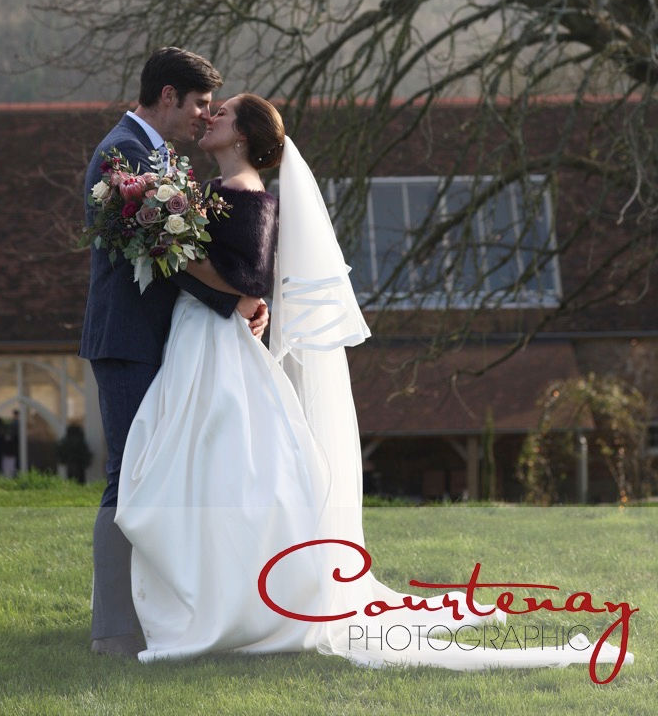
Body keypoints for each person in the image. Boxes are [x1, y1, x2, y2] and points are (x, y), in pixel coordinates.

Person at [115, 93, 633, 676]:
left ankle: (235, 602)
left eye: (225, 113)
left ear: (243, 137)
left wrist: (172, 250)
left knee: (221, 465)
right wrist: (179, 249)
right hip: (197, 339)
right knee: (196, 465)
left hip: (217, 347)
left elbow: (250, 278)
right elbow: (235, 285)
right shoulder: (212, 193)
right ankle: (209, 593)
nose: (211, 118)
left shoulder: (249, 197)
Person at [80, 48, 268, 658]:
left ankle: (157, 613)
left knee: (159, 475)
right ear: (168, 96)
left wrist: (243, 300)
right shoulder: (123, 155)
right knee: (129, 476)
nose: (204, 116)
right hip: (129, 339)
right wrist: (237, 298)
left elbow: (188, 249)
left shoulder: (158, 157)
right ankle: (113, 629)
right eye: (199, 104)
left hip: (167, 340)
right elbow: (171, 253)